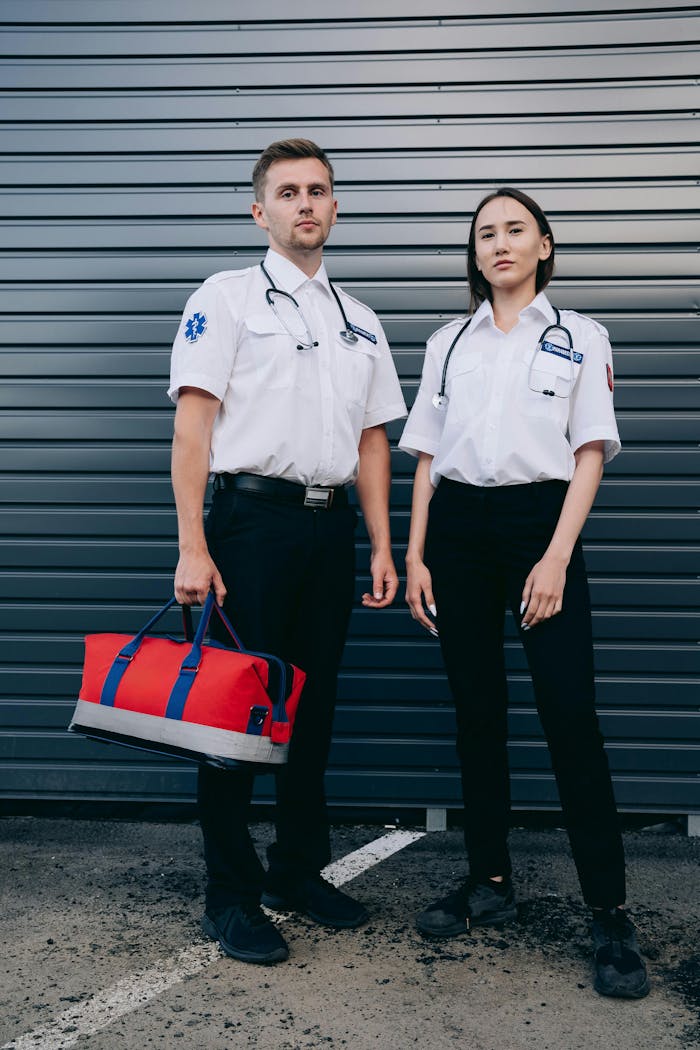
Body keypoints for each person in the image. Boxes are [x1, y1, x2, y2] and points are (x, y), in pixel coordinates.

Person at [399, 187, 649, 999]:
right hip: (458, 531)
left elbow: (590, 452)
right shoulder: (448, 342)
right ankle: (489, 880)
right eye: (485, 234)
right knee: (477, 714)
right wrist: (416, 555)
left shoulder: (580, 336)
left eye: (514, 230)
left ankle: (609, 912)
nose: (498, 244)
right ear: (474, 253)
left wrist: (555, 557)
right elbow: (427, 456)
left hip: (542, 523)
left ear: (544, 245)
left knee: (570, 716)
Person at [168, 138, 406, 965]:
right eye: (289, 191)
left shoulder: (360, 319)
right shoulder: (226, 297)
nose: (306, 203)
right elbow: (193, 428)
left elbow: (372, 442)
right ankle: (229, 896)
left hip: (329, 531)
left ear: (335, 207)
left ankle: (295, 871)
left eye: (318, 190)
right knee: (234, 715)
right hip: (252, 526)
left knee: (311, 708)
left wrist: (381, 544)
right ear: (260, 211)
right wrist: (193, 544)